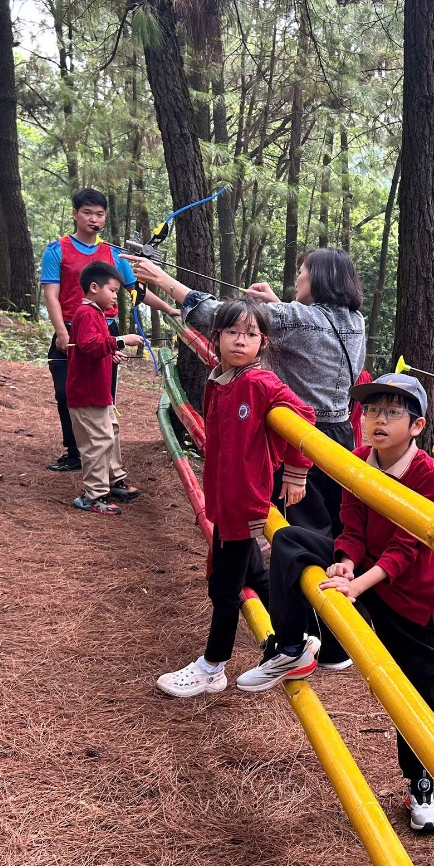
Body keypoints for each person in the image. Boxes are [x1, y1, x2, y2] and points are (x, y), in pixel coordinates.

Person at [239, 373, 434, 833]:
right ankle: (291, 646)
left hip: (412, 596)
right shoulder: (357, 460)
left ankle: (420, 783)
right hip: (368, 568)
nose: (379, 420)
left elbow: (408, 546)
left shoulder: (425, 476)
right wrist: (345, 560)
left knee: (414, 695)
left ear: (417, 426)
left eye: (393, 412)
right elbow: (350, 524)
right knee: (292, 540)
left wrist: (359, 584)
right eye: (373, 410)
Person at [130, 249, 366, 538]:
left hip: (299, 437)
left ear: (318, 277)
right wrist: (276, 307)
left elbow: (217, 314)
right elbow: (315, 334)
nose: (298, 278)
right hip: (341, 434)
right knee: (334, 519)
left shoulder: (295, 318)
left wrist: (162, 279)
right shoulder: (356, 321)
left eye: (302, 270)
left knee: (302, 526)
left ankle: (301, 580)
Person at [155, 299, 315, 698]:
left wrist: (295, 473)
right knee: (254, 577)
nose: (240, 341)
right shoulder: (219, 381)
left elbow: (304, 416)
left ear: (263, 342)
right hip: (224, 502)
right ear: (217, 337)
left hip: (245, 503)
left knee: (225, 589)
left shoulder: (259, 383)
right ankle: (298, 635)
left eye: (250, 334)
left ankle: (212, 666)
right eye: (231, 332)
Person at [42, 188, 176, 473]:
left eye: (99, 214)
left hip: (106, 330)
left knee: (103, 395)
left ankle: (100, 453)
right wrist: (62, 334)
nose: (94, 219)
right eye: (87, 213)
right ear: (75, 214)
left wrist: (171, 308)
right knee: (67, 392)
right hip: (69, 329)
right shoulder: (57, 250)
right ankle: (74, 451)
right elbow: (51, 295)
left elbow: (135, 291)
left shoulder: (113, 253)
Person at [64, 261, 144, 514]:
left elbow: (92, 347)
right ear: (94, 287)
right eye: (113, 291)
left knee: (111, 433)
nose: (115, 297)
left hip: (99, 394)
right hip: (86, 395)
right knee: (98, 441)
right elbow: (89, 345)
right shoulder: (86, 313)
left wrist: (110, 354)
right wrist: (121, 341)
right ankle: (93, 495)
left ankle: (113, 480)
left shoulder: (97, 314)